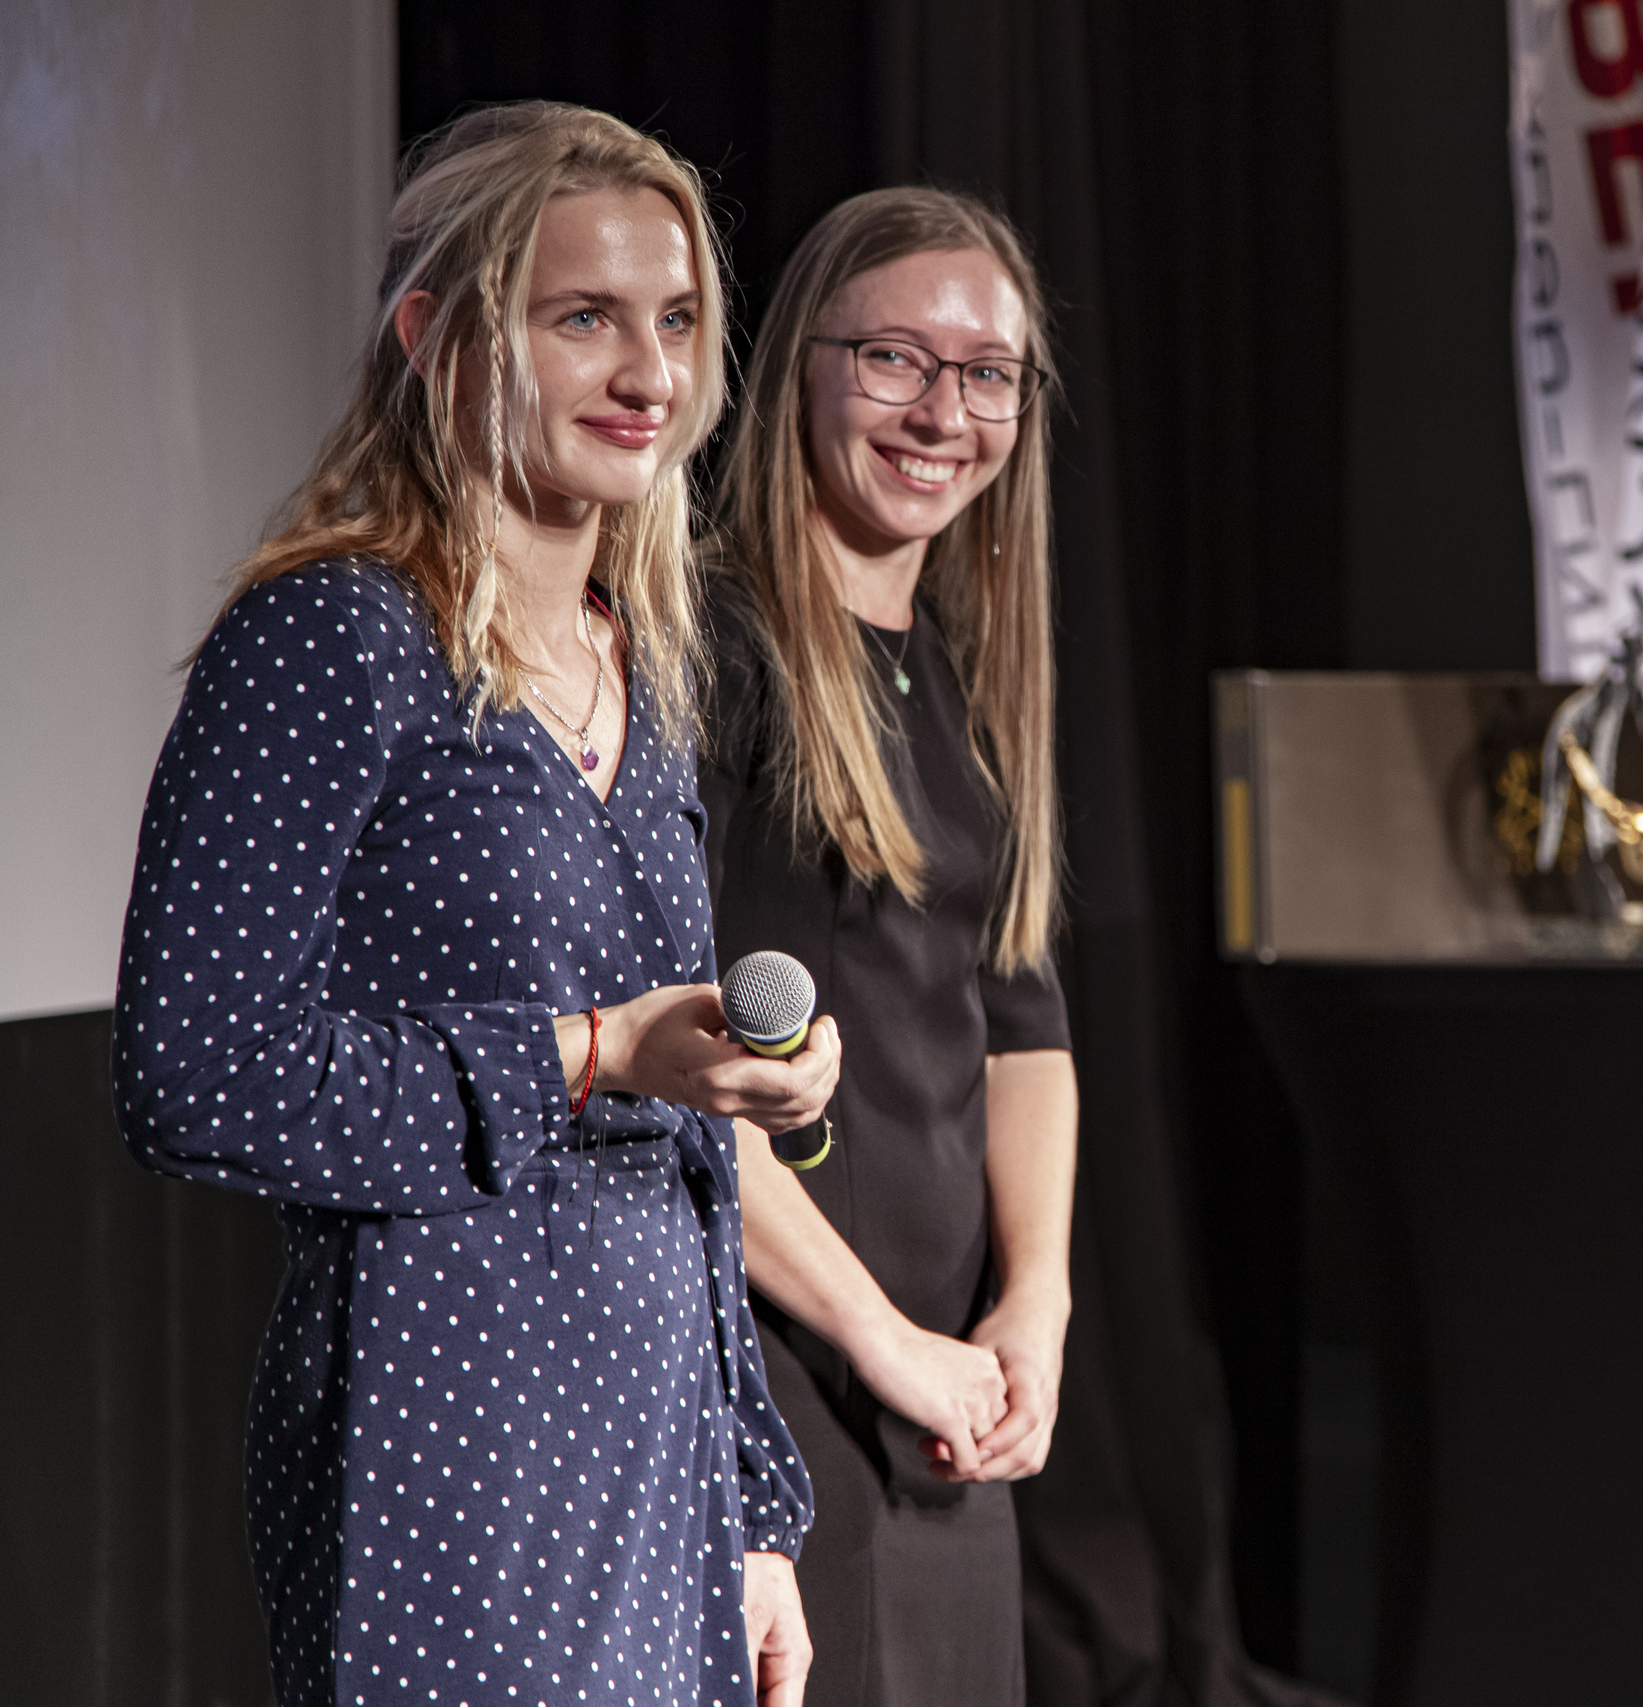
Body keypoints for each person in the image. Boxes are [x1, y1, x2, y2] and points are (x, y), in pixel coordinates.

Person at [111, 103, 838, 1707]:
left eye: (675, 321)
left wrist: (757, 1506)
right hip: (443, 1437)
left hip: (658, 1459)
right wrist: (584, 1057)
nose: (649, 373)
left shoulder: (638, 666)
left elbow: (691, 1164)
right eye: (584, 318)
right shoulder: (331, 640)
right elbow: (195, 1077)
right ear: (435, 334)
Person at [698, 188, 1078, 1707]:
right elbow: (689, 1089)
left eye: (988, 374)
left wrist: (1030, 1308)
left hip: (945, 1409)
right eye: (895, 361)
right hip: (791, 1396)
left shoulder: (963, 680)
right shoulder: (717, 656)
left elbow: (1024, 1027)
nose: (944, 411)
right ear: (800, 364)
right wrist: (878, 1339)